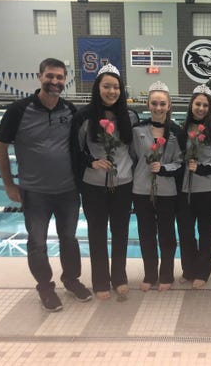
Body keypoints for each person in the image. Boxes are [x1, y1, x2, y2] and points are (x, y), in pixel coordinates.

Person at [0, 58, 92, 312]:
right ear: (39, 76)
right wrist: (9, 185)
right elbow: (1, 147)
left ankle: (71, 280)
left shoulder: (70, 110)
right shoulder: (18, 110)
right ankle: (46, 288)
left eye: (60, 77)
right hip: (35, 191)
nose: (55, 82)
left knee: (69, 239)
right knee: (37, 242)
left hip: (68, 190)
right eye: (50, 76)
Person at [72, 63, 138, 301]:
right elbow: (75, 150)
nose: (112, 91)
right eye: (106, 86)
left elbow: (133, 150)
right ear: (97, 88)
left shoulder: (129, 116)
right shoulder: (84, 116)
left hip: (123, 183)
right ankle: (100, 280)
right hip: (94, 186)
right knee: (97, 233)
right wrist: (91, 162)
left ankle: (119, 277)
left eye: (116, 87)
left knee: (120, 232)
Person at [131, 81, 185, 292]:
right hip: (141, 189)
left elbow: (181, 164)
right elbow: (132, 157)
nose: (158, 107)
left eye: (162, 103)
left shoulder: (176, 132)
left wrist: (163, 168)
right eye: (154, 103)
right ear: (148, 104)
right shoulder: (137, 130)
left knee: (167, 235)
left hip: (167, 191)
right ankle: (150, 274)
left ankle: (167, 274)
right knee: (146, 234)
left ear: (169, 105)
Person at [177, 84, 211, 289]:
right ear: (192, 105)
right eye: (198, 104)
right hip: (185, 191)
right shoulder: (182, 129)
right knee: (186, 232)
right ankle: (188, 269)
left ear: (210, 107)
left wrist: (202, 168)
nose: (201, 108)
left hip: (208, 191)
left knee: (206, 233)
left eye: (205, 105)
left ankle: (203, 272)